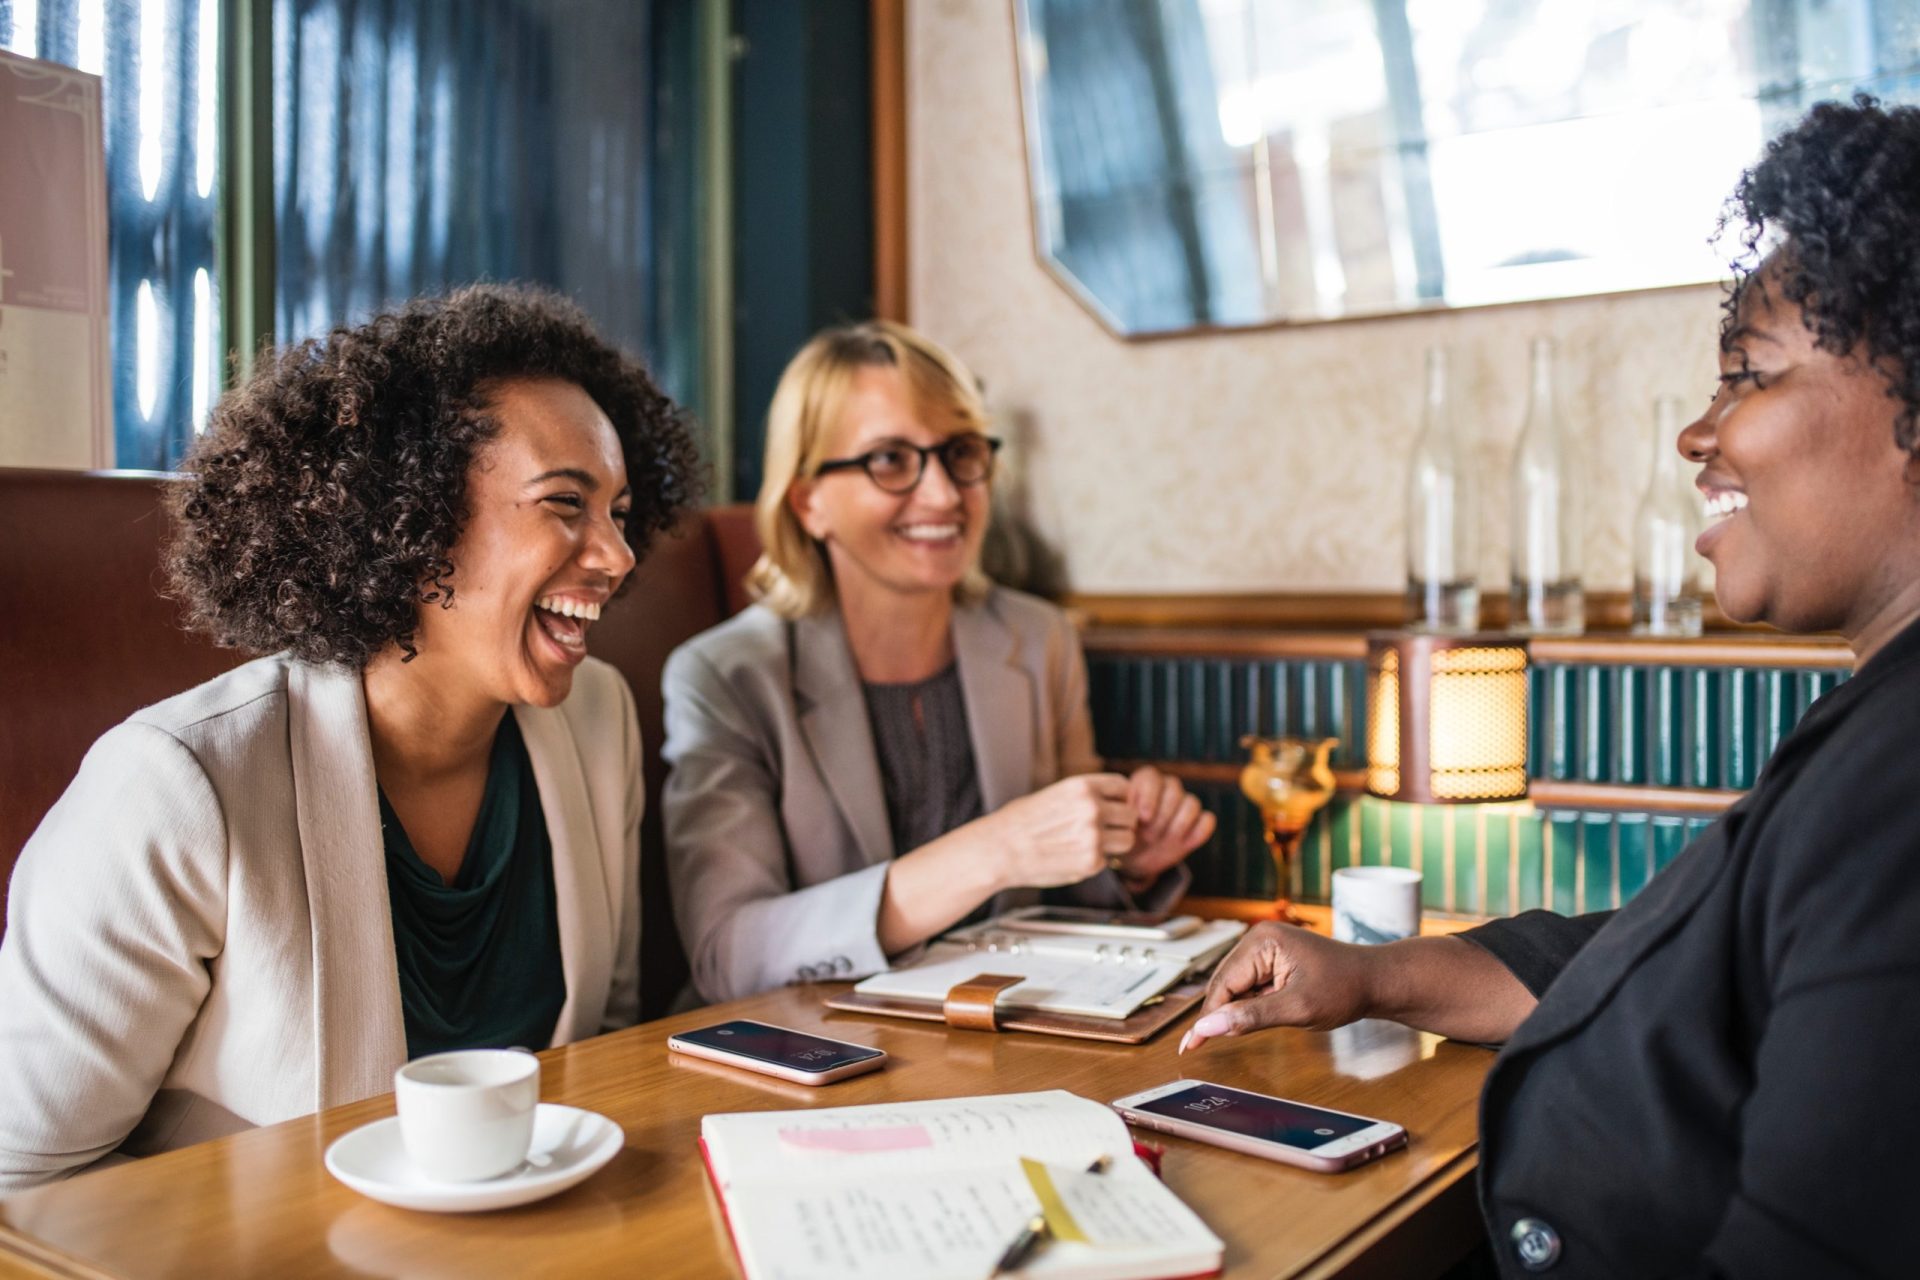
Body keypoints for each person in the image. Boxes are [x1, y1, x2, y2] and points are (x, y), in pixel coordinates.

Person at [1183, 97, 1920, 1277]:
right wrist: (1369, 974)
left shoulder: (1900, 798)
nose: (1698, 431)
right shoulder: (1873, 730)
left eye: (1747, 376)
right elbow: (1655, 956)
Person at [0, 285, 702, 1190]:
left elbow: (601, 1047)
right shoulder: (176, 787)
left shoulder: (596, 718)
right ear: (408, 517)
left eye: (618, 511)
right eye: (567, 503)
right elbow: (20, 1181)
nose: (617, 554)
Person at [663, 321, 1215, 1003]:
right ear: (809, 502)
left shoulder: (1039, 640)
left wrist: (1127, 860)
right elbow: (728, 955)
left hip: (1007, 1039)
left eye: (960, 452)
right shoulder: (725, 677)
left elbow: (1068, 900)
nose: (945, 495)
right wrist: (995, 850)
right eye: (890, 459)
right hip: (809, 1059)